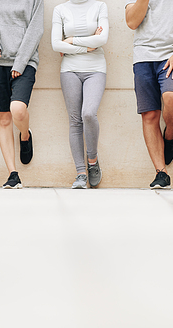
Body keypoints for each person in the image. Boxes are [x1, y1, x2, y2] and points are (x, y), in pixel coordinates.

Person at [125, 0, 173, 189]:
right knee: (150, 114)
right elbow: (132, 22)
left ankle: (170, 133)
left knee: (172, 97)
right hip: (143, 56)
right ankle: (161, 172)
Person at [0, 0, 44, 189]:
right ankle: (13, 174)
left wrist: (19, 63)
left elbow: (36, 31)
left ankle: (25, 135)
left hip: (25, 63)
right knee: (3, 118)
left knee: (17, 109)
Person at [51, 0, 109, 189]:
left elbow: (102, 39)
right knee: (75, 120)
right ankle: (81, 174)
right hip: (70, 70)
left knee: (88, 113)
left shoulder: (100, 6)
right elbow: (55, 44)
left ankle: (92, 161)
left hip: (96, 68)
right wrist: (87, 46)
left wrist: (71, 41)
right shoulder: (60, 9)